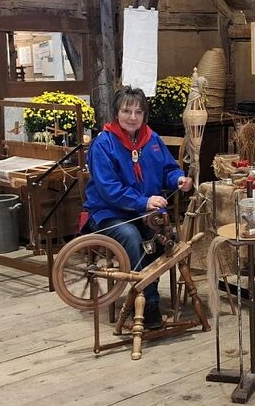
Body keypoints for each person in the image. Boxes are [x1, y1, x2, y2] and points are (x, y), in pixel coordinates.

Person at [82, 86, 193, 329]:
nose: (132, 117)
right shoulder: (103, 145)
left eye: (138, 112)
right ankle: (149, 302)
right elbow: (108, 189)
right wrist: (142, 201)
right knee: (132, 238)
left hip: (146, 213)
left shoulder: (151, 139)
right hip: (109, 214)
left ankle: (141, 293)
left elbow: (167, 170)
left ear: (144, 115)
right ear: (116, 113)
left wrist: (178, 180)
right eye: (126, 111)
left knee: (163, 236)